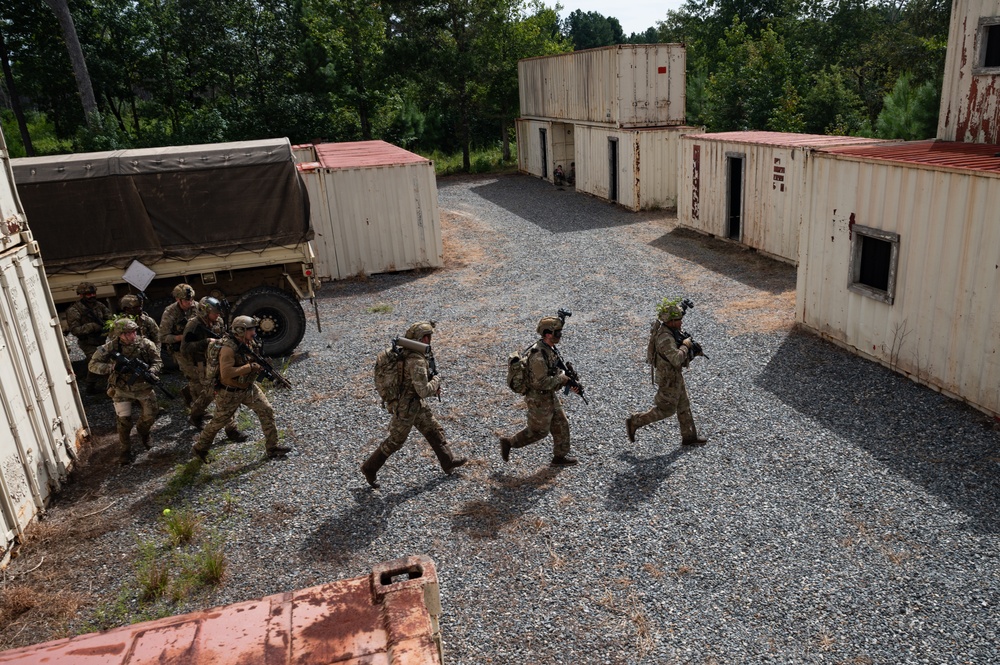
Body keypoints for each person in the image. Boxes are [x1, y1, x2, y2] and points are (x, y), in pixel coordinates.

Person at [361, 321, 467, 488]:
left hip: (414, 403)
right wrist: (437, 381)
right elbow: (423, 390)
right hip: (407, 407)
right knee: (396, 440)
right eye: (429, 337)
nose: (430, 340)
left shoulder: (407, 351)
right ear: (423, 338)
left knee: (433, 428)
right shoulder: (416, 360)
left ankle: (448, 461)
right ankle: (369, 468)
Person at [191, 316, 291, 463]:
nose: (254, 332)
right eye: (251, 330)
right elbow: (226, 373)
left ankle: (272, 447)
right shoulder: (228, 349)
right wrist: (249, 367)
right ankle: (200, 448)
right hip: (229, 392)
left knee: (266, 409)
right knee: (217, 423)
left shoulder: (249, 343)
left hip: (248, 388)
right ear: (240, 330)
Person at [499, 315, 580, 466]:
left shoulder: (549, 348)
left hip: (548, 395)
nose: (560, 336)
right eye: (557, 333)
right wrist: (563, 379)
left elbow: (553, 370)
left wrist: (568, 378)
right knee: (538, 432)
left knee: (561, 423)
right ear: (548, 334)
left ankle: (559, 457)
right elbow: (540, 383)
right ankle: (509, 443)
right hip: (538, 399)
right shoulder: (538, 356)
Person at [625, 297, 708, 446]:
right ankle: (635, 421)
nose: (681, 322)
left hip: (675, 376)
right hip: (668, 379)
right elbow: (676, 359)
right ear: (670, 321)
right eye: (678, 320)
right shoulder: (665, 338)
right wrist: (686, 346)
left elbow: (678, 314)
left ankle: (689, 437)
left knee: (683, 404)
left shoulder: (670, 327)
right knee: (666, 410)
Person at [88, 318, 162, 464]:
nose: (132, 335)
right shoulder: (110, 347)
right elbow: (92, 365)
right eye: (127, 333)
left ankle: (143, 432)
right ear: (119, 334)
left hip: (143, 388)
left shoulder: (146, 344)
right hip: (121, 390)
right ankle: (125, 451)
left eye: (134, 332)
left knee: (150, 416)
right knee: (123, 423)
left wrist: (151, 371)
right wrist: (111, 368)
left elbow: (157, 361)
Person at [180, 296, 239, 440]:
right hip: (202, 364)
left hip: (218, 361)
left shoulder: (217, 321)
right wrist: (205, 342)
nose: (218, 315)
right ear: (205, 312)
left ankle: (230, 428)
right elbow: (185, 348)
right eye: (215, 313)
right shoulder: (193, 325)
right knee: (212, 394)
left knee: (219, 393)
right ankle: (227, 428)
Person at [66, 282, 113, 394]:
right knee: (96, 361)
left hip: (101, 341)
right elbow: (75, 330)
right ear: (81, 295)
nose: (92, 296)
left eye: (93, 293)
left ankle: (91, 387)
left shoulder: (99, 305)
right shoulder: (74, 310)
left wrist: (107, 325)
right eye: (88, 294)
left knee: (97, 361)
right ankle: (110, 387)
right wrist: (92, 326)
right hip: (88, 342)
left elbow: (109, 318)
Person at [159, 283, 197, 404]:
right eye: (186, 300)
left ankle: (188, 392)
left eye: (191, 299)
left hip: (197, 346)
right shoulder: (170, 313)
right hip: (180, 349)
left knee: (205, 375)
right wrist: (182, 337)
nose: (190, 302)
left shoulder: (197, 307)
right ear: (177, 299)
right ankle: (197, 407)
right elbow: (163, 337)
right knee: (193, 377)